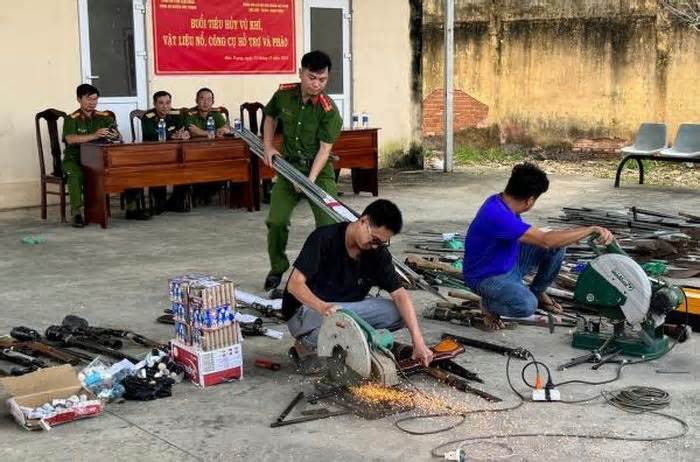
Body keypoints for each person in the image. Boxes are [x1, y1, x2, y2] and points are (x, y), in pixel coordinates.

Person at [284, 199, 434, 372]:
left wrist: (418, 341)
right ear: (364, 221)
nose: (375, 245)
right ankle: (305, 346)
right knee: (340, 318)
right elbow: (294, 285)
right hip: (309, 312)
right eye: (374, 239)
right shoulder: (324, 238)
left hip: (347, 309)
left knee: (399, 313)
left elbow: (400, 295)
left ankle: (353, 342)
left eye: (381, 243)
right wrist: (322, 307)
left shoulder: (377, 252)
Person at [463, 162, 614, 329]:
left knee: (557, 245)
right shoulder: (497, 215)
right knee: (527, 306)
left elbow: (548, 239)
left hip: (508, 261)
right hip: (487, 277)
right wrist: (590, 229)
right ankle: (489, 306)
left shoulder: (500, 200)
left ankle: (537, 291)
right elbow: (545, 240)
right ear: (529, 200)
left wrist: (568, 237)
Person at [262, 50, 343, 291]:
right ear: (301, 73)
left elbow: (324, 150)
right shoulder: (284, 94)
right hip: (288, 168)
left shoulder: (329, 111)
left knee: (329, 225)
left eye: (322, 80)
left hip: (318, 170)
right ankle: (277, 268)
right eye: (311, 78)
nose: (317, 84)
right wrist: (268, 146)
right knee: (276, 221)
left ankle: (323, 272)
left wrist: (309, 181)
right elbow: (270, 116)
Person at [62, 84, 121, 228]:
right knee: (75, 175)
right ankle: (76, 213)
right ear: (79, 99)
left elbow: (117, 135)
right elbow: (70, 139)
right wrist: (94, 135)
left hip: (97, 159)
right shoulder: (71, 118)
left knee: (122, 168)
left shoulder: (104, 117)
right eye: (89, 99)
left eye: (95, 99)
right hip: (75, 158)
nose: (92, 103)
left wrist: (115, 134)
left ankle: (132, 207)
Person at [140, 90, 190, 214]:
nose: (165, 106)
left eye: (168, 103)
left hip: (174, 152)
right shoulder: (148, 117)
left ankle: (176, 202)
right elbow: (150, 134)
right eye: (161, 103)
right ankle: (160, 203)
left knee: (186, 166)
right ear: (155, 104)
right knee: (158, 170)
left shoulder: (177, 114)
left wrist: (184, 134)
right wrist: (172, 135)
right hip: (154, 153)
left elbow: (183, 128)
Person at [185, 88, 230, 205]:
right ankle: (200, 193)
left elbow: (226, 129)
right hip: (196, 153)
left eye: (209, 99)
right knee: (199, 168)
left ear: (213, 102)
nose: (205, 102)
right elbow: (193, 132)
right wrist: (214, 132)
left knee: (224, 166)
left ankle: (208, 192)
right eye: (202, 99)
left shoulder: (216, 114)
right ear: (196, 100)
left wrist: (203, 132)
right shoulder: (190, 114)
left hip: (214, 151)